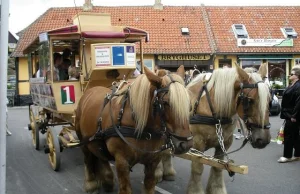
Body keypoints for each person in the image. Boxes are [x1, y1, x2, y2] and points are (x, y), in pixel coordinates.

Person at [278, 66, 300, 163]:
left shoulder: (298, 86)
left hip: (292, 115)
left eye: (291, 74)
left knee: (289, 135)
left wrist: (294, 116)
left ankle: (287, 156)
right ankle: (298, 154)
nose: (289, 75)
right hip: (289, 114)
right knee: (295, 135)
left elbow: (299, 102)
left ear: (297, 76)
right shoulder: (293, 85)